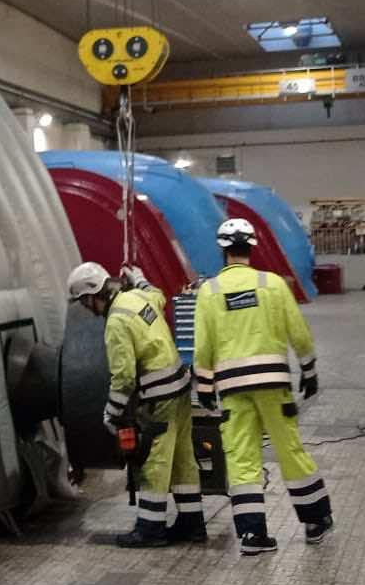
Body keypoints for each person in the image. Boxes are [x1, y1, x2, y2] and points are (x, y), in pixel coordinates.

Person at [192, 218, 334, 556]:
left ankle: (253, 536)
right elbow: (297, 330)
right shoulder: (272, 284)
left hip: (232, 388)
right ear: (252, 247)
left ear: (222, 249)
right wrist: (308, 368)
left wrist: (205, 386)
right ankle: (315, 521)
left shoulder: (209, 292)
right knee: (289, 449)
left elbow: (203, 347)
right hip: (273, 384)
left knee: (241, 457)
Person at [66, 261, 200, 547]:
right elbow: (158, 295)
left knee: (155, 461)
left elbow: (124, 377)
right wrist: (140, 278)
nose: (85, 308)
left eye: (83, 302)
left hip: (160, 396)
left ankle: (150, 530)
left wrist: (110, 413)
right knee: (182, 458)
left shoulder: (115, 322)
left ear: (92, 296)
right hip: (180, 387)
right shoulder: (137, 297)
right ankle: (192, 523)